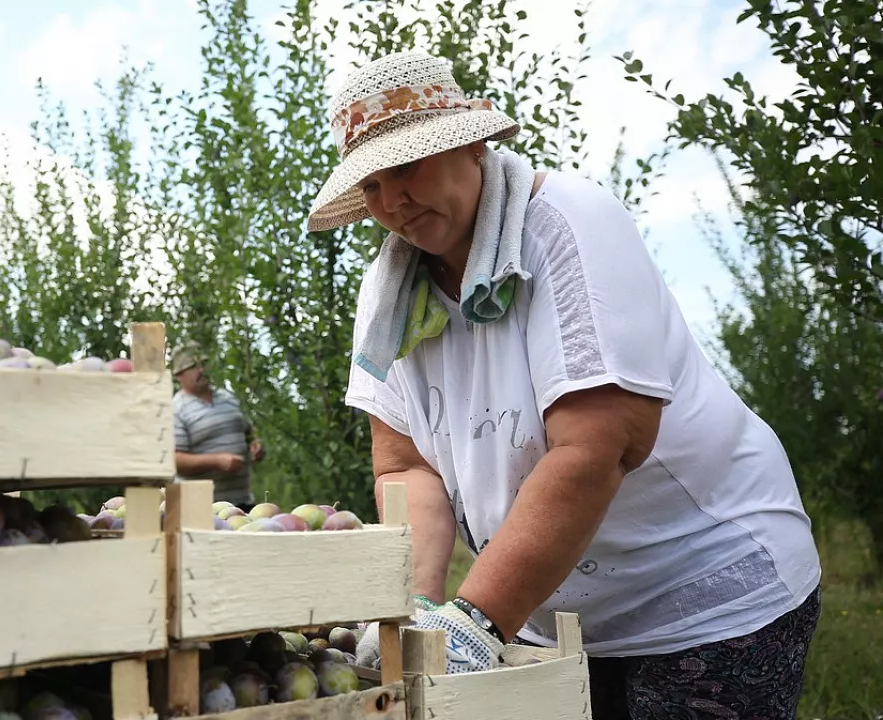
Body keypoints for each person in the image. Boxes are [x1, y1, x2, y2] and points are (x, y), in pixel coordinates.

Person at [308, 50, 822, 719]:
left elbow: (599, 445)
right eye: (371, 186)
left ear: (471, 145)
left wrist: (477, 619)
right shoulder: (392, 298)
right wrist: (418, 611)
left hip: (705, 594)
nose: (392, 203)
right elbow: (408, 466)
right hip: (550, 614)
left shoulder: (566, 228)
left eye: (406, 167)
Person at [170, 341, 265, 510]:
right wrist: (217, 461)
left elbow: (248, 432)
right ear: (179, 375)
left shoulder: (227, 397)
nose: (201, 370)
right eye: (193, 366)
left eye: (203, 364)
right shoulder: (176, 409)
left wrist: (255, 445)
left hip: (242, 504)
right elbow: (175, 460)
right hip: (200, 508)